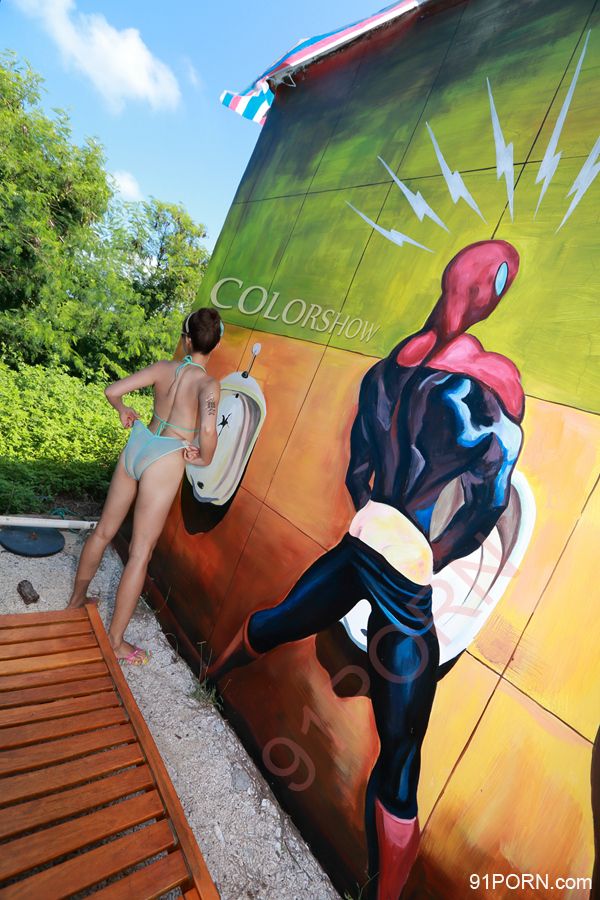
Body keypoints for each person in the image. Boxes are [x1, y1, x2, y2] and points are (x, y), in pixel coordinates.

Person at [206, 241, 524, 899]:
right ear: (491, 292)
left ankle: (210, 679)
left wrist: (375, 518)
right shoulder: (491, 390)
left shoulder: (386, 371)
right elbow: (488, 505)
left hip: (364, 537)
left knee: (282, 619)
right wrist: (431, 554)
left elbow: (359, 468)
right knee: (401, 753)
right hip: (406, 570)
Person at [67, 307, 222, 665]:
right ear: (214, 345)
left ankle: (76, 602)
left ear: (186, 339)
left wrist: (122, 409)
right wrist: (202, 458)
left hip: (139, 443)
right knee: (140, 553)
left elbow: (112, 391)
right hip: (166, 457)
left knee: (103, 531)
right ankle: (115, 642)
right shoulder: (209, 385)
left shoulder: (163, 368)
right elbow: (208, 431)